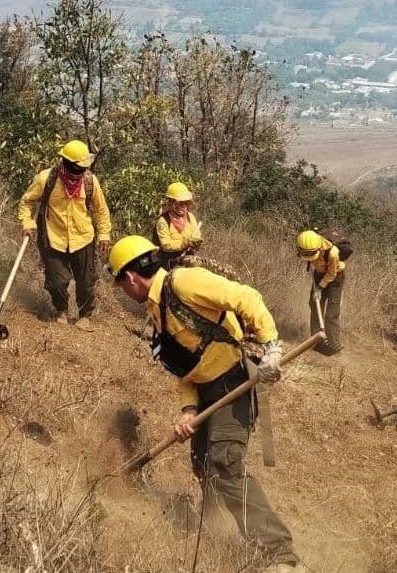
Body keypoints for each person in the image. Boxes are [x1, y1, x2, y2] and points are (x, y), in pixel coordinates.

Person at [107, 235, 299, 572]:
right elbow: (186, 369)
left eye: (121, 284)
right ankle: (211, 530)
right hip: (206, 391)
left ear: (130, 278)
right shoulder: (158, 310)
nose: (124, 291)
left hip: (234, 383)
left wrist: (272, 346)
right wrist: (188, 409)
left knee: (225, 465)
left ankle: (280, 555)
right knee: (202, 463)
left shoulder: (183, 282)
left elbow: (245, 297)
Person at [17, 140, 111, 331]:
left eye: (83, 168)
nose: (79, 172)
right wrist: (27, 223)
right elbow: (26, 202)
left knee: (86, 282)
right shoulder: (46, 179)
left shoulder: (90, 181)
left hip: (83, 237)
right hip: (54, 237)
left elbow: (101, 211)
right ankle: (61, 310)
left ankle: (85, 315)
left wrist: (104, 234)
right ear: (65, 162)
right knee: (56, 282)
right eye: (76, 167)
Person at [296, 229, 346, 356]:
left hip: (335, 278)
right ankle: (316, 340)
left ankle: (334, 344)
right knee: (314, 305)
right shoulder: (306, 245)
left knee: (331, 312)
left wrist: (320, 287)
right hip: (319, 274)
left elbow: (332, 274)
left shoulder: (333, 253)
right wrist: (317, 287)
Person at [154, 181, 203, 269]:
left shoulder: (190, 217)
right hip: (168, 263)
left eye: (186, 203)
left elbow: (197, 235)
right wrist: (185, 242)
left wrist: (196, 243)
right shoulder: (163, 221)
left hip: (188, 259)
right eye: (179, 203)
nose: (183, 206)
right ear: (171, 202)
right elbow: (166, 245)